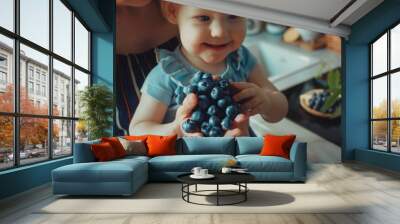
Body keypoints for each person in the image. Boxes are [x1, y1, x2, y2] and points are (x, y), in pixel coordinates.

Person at [129, 1, 288, 137]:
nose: (219, 32)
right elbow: (138, 129)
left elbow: (281, 109)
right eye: (203, 18)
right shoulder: (167, 74)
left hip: (242, 157)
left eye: (233, 16)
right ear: (173, 11)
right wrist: (175, 128)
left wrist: (267, 102)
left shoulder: (241, 58)